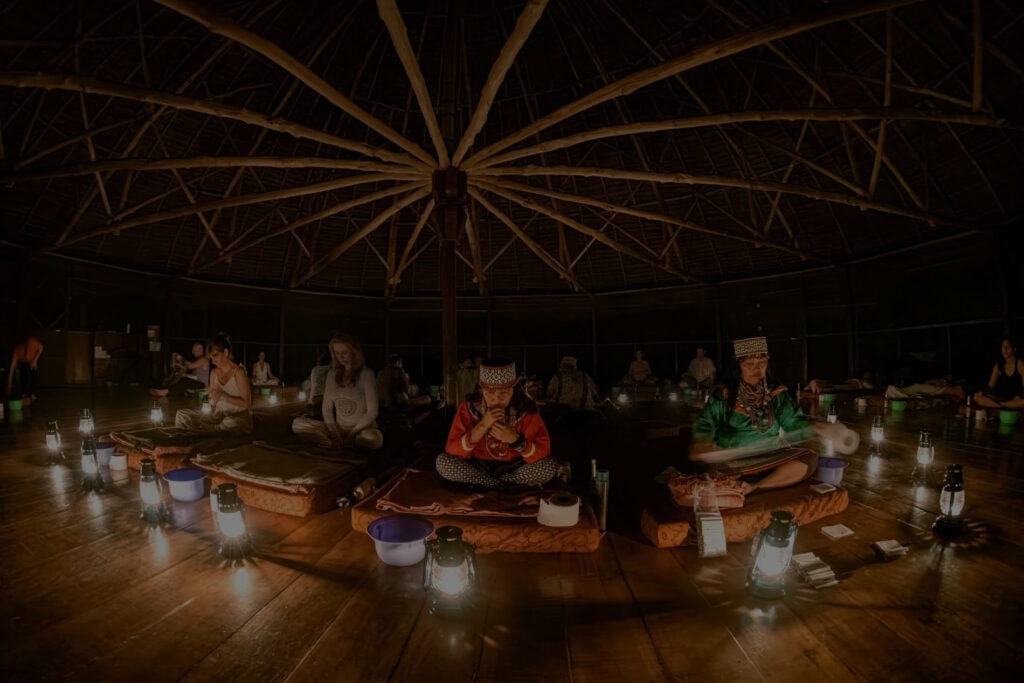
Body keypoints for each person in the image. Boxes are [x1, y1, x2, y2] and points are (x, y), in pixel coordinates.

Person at [690, 336, 819, 494]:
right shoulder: (724, 395)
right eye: (750, 364)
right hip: (731, 463)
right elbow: (705, 423)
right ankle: (746, 483)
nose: (757, 370)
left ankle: (756, 486)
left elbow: (794, 423)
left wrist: (814, 429)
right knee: (707, 472)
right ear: (738, 366)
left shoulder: (777, 394)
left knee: (809, 459)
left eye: (762, 364)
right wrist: (702, 443)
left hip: (768, 459)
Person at [436, 358, 555, 489]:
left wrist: (515, 440)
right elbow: (452, 450)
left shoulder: (527, 410)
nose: (497, 399)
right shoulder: (468, 408)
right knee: (443, 463)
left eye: (504, 393)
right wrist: (482, 426)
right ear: (481, 390)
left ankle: (488, 484)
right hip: (478, 466)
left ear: (513, 389)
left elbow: (543, 451)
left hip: (513, 468)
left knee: (548, 466)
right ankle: (499, 485)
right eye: (490, 393)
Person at [292, 333, 383, 450]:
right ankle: (333, 444)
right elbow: (327, 407)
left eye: (344, 352)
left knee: (374, 439)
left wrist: (352, 434)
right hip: (339, 429)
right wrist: (334, 433)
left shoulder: (366, 374)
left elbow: (372, 412)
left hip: (361, 430)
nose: (341, 357)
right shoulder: (332, 374)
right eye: (337, 353)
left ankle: (344, 443)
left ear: (354, 352)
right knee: (298, 424)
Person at [174, 334, 253, 433]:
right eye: (211, 358)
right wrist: (208, 397)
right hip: (218, 417)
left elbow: (247, 404)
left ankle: (206, 432)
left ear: (225, 352)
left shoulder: (239, 372)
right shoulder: (214, 373)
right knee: (182, 414)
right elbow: (212, 402)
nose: (213, 361)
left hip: (237, 417)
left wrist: (223, 396)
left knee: (229, 423)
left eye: (215, 356)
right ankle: (209, 432)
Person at [973, 338, 1024, 409]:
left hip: (1015, 399)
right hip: (1001, 398)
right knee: (977, 397)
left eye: (1008, 347)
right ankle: (1004, 406)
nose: (1005, 349)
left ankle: (999, 406)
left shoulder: (1020, 364)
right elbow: (990, 386)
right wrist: (982, 391)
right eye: (1003, 347)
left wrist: (1020, 396)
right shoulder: (998, 366)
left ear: (1014, 349)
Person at [6, 335, 43, 404]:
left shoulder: (31, 342)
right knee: (24, 373)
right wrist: (8, 389)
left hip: (36, 355)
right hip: (26, 360)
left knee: (33, 372)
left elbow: (41, 347)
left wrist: (35, 360)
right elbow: (11, 371)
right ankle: (24, 393)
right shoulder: (16, 353)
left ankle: (32, 394)